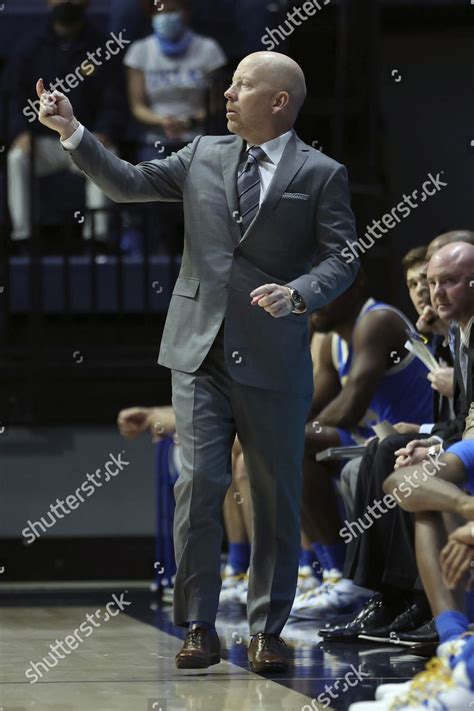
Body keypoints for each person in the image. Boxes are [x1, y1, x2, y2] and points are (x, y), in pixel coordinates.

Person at [36, 49, 359, 673]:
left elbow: (343, 258)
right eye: (230, 83)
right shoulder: (204, 154)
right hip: (197, 349)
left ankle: (269, 629)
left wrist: (298, 294)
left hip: (272, 354)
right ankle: (199, 625)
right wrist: (72, 132)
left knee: (272, 497)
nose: (228, 93)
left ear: (279, 102)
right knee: (200, 483)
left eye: (242, 85)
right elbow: (128, 183)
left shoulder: (321, 174)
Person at [292, 268, 433, 618]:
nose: (315, 302)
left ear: (356, 287)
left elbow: (350, 407)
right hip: (372, 440)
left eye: (324, 291)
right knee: (275, 445)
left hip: (413, 436)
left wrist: (288, 431)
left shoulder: (377, 320)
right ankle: (325, 572)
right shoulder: (331, 339)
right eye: (310, 293)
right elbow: (311, 403)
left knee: (288, 443)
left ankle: (341, 576)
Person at [4, 0, 126, 248]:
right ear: (49, 2)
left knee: (105, 157)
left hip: (85, 138)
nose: (66, 2)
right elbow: (13, 97)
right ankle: (23, 238)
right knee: (16, 158)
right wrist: (20, 132)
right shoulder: (30, 46)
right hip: (42, 143)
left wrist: (105, 130)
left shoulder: (104, 48)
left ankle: (97, 240)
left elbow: (116, 98)